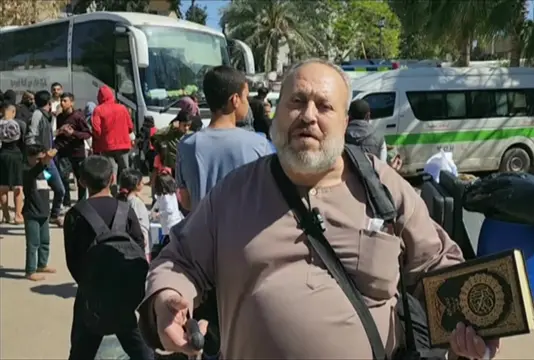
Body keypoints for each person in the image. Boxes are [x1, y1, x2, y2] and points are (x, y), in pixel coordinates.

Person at [137, 59, 500, 359]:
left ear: (345, 122)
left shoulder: (384, 189)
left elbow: (437, 266)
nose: (308, 116)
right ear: (276, 114)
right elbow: (178, 258)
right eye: (296, 102)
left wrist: (474, 326)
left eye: (324, 106)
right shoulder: (233, 194)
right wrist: (168, 297)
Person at [63, 155, 154, 360]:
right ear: (112, 179)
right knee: (140, 349)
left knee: (81, 350)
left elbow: (73, 260)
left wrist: (90, 282)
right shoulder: (126, 209)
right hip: (125, 295)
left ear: (81, 181)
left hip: (91, 295)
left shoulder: (75, 214)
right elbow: (140, 245)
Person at [175, 65, 273, 212]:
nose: (248, 103)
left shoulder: (187, 145)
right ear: (235, 100)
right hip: (244, 233)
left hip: (201, 232)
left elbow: (186, 201)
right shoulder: (259, 145)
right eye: (245, 97)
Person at [26, 90, 66, 225]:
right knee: (41, 190)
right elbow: (31, 137)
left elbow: (44, 135)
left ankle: (54, 215)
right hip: (42, 161)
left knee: (59, 189)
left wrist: (58, 132)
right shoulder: (37, 115)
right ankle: (38, 217)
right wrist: (39, 154)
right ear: (48, 103)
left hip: (49, 162)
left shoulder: (45, 116)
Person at [22, 144, 58, 281]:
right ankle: (30, 270)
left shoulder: (44, 173)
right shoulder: (27, 172)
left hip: (44, 213)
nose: (40, 162)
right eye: (37, 159)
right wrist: (44, 161)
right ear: (29, 158)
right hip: (32, 214)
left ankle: (42, 264)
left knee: (45, 241)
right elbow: (35, 170)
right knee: (33, 243)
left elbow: (54, 182)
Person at [91, 85, 134, 184]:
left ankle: (112, 190)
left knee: (111, 170)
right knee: (125, 170)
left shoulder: (98, 110)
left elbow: (96, 130)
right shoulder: (122, 108)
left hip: (107, 146)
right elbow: (130, 127)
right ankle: (127, 190)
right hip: (123, 144)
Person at [55, 92, 91, 203]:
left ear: (72, 102)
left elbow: (87, 134)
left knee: (81, 179)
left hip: (77, 152)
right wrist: (60, 131)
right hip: (63, 152)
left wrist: (73, 133)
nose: (62, 103)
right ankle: (66, 200)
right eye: (61, 101)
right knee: (63, 177)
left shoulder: (78, 117)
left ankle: (82, 201)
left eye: (65, 101)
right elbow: (58, 133)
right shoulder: (60, 117)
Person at [0, 104, 27, 224]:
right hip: (16, 154)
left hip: (3, 154)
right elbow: (24, 141)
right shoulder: (20, 124)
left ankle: (5, 214)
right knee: (18, 187)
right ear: (13, 112)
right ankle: (18, 215)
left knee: (3, 187)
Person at [116, 169, 151, 261]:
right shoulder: (136, 202)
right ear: (137, 185)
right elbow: (140, 223)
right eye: (141, 182)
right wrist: (144, 241)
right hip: (140, 244)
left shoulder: (123, 200)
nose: (143, 184)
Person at [150, 110, 192, 174]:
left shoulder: (191, 135)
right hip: (173, 168)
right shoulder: (170, 134)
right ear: (178, 123)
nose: (186, 128)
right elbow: (156, 135)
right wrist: (171, 127)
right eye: (184, 125)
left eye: (188, 125)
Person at [150, 172, 183, 242]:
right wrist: (152, 210)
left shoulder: (166, 197)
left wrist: (158, 214)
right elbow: (158, 203)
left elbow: (170, 210)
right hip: (173, 223)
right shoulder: (170, 194)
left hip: (171, 224)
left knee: (170, 241)